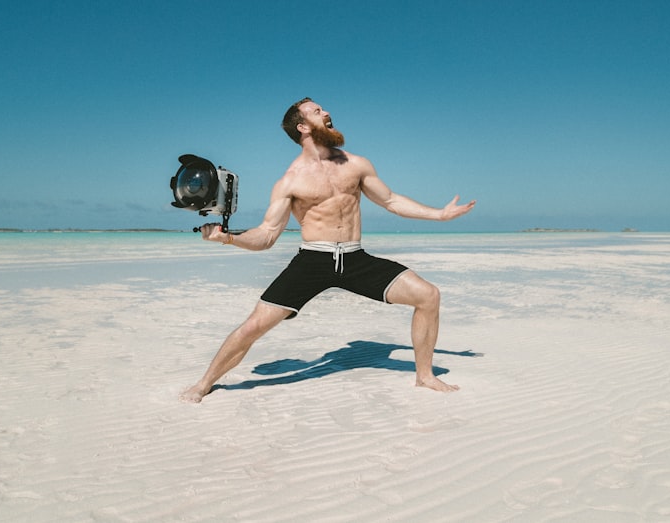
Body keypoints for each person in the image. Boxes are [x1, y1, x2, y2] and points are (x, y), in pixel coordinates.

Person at [180, 98, 476, 403]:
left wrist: (438, 214)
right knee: (253, 326)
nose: (327, 112)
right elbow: (266, 236)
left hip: (355, 258)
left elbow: (391, 201)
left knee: (428, 295)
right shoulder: (290, 181)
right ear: (303, 127)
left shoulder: (356, 164)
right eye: (317, 111)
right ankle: (204, 383)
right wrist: (227, 238)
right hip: (313, 261)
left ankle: (424, 377)